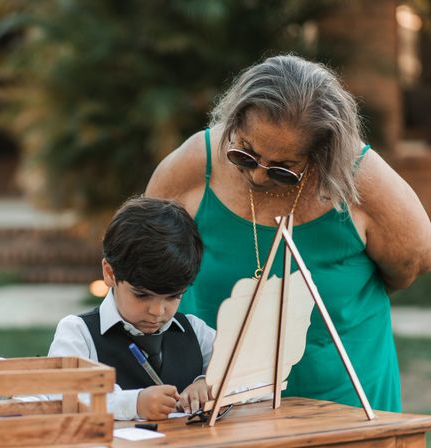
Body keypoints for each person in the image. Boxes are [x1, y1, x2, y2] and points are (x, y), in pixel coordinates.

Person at [146, 54, 431, 413]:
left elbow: (409, 266)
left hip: (342, 401)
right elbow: (148, 258)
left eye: (284, 169)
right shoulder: (194, 163)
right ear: (233, 123)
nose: (259, 176)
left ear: (324, 154)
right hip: (213, 399)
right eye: (245, 155)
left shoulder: (366, 183)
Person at [48, 197, 216, 420]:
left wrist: (210, 384)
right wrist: (132, 403)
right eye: (141, 295)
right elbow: (61, 395)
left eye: (173, 296)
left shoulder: (196, 331)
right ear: (109, 273)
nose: (157, 311)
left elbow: (254, 376)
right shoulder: (78, 332)